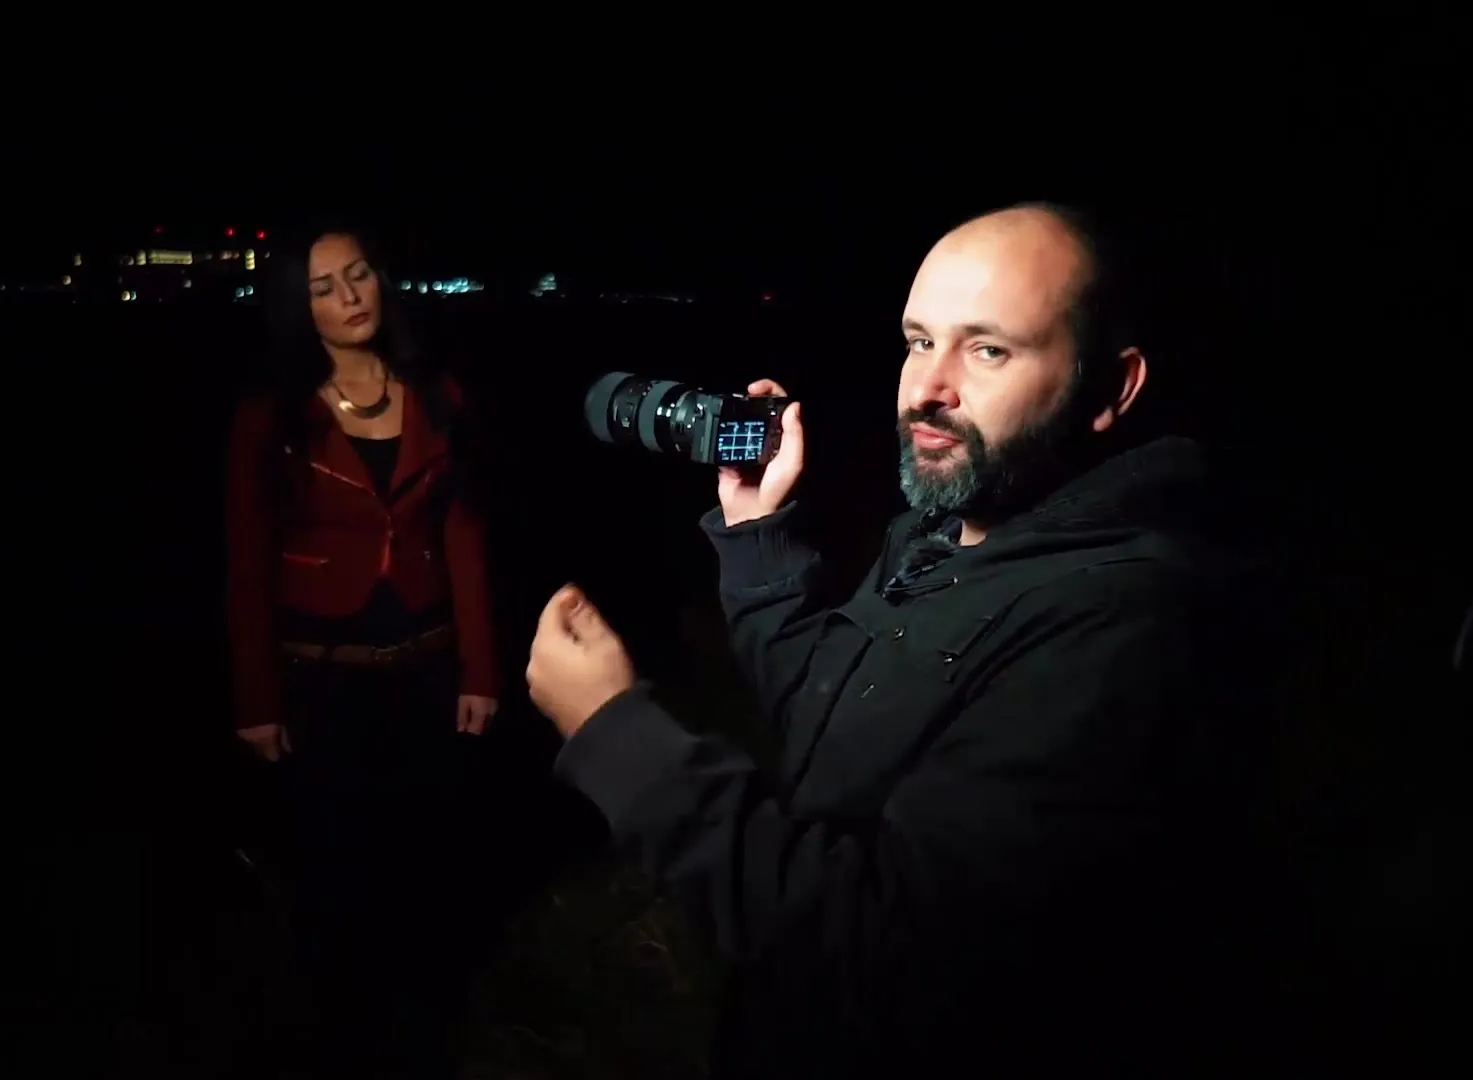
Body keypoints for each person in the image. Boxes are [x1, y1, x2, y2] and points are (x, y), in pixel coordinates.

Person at [527, 203, 1282, 1076]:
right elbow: (828, 721)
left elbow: (876, 947)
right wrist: (758, 536)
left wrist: (618, 737)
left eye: (988, 350)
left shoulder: (1123, 627)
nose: (927, 387)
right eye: (919, 341)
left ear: (1113, 389)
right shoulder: (944, 530)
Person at [226, 222, 501, 1073]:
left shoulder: (438, 394)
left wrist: (480, 672)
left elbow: (464, 535)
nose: (350, 298)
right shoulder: (273, 414)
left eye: (359, 276)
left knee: (425, 873)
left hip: (425, 670)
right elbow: (247, 559)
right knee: (334, 878)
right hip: (322, 683)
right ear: (296, 307)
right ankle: (343, 1040)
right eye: (324, 287)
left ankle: (429, 1036)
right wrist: (258, 701)